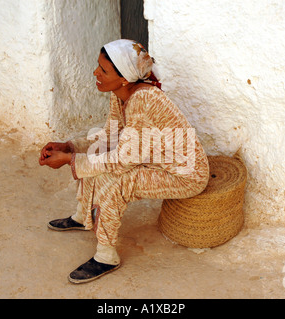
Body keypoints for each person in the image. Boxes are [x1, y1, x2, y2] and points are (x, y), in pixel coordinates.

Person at [39, 39, 209, 284]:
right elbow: (109, 138)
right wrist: (69, 146)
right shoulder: (121, 93)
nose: (95, 73)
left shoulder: (143, 100)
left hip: (186, 174)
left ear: (124, 79)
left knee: (118, 180)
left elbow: (121, 162)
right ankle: (82, 216)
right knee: (98, 152)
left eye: (103, 70)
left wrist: (70, 159)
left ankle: (106, 256)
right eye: (98, 66)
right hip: (154, 159)